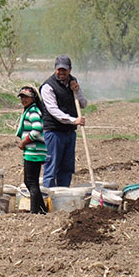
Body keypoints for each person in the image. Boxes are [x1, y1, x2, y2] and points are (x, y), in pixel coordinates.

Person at [39, 55, 87, 188]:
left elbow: (83, 103)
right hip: (54, 132)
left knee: (67, 168)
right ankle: (49, 199)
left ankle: (63, 196)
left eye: (64, 70)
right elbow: (53, 110)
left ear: (70, 70)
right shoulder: (48, 87)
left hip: (69, 132)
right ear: (55, 69)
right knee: (51, 167)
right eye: (59, 70)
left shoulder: (73, 82)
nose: (61, 73)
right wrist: (74, 120)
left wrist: (77, 90)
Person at [15, 86, 47, 214]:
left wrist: (24, 141)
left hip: (34, 150)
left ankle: (35, 211)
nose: (24, 100)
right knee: (28, 181)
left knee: (31, 182)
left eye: (26, 97)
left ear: (33, 98)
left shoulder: (33, 111)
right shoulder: (30, 110)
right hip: (33, 150)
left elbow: (37, 129)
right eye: (22, 97)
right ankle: (41, 208)